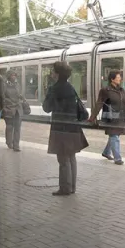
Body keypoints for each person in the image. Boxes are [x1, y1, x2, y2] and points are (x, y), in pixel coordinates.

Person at [43, 61, 88, 196]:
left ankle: (65, 188)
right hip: (73, 127)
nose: (51, 73)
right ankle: (72, 187)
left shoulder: (54, 88)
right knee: (71, 157)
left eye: (53, 71)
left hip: (60, 127)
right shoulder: (70, 87)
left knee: (63, 159)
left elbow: (46, 108)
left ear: (57, 74)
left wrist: (47, 95)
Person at [89, 70, 125, 165]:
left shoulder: (121, 90)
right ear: (112, 79)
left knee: (114, 135)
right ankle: (117, 159)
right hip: (111, 117)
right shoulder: (105, 90)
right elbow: (99, 104)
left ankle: (106, 152)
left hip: (120, 117)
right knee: (114, 136)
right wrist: (92, 117)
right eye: (118, 77)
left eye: (120, 77)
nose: (120, 78)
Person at [3, 70, 24, 152]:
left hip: (18, 109)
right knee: (9, 127)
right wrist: (6, 106)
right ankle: (9, 142)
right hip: (9, 109)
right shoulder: (4, 85)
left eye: (15, 75)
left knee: (18, 128)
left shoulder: (17, 85)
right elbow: (2, 97)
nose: (14, 77)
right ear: (8, 76)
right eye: (12, 75)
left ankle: (16, 145)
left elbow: (20, 95)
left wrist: (21, 99)